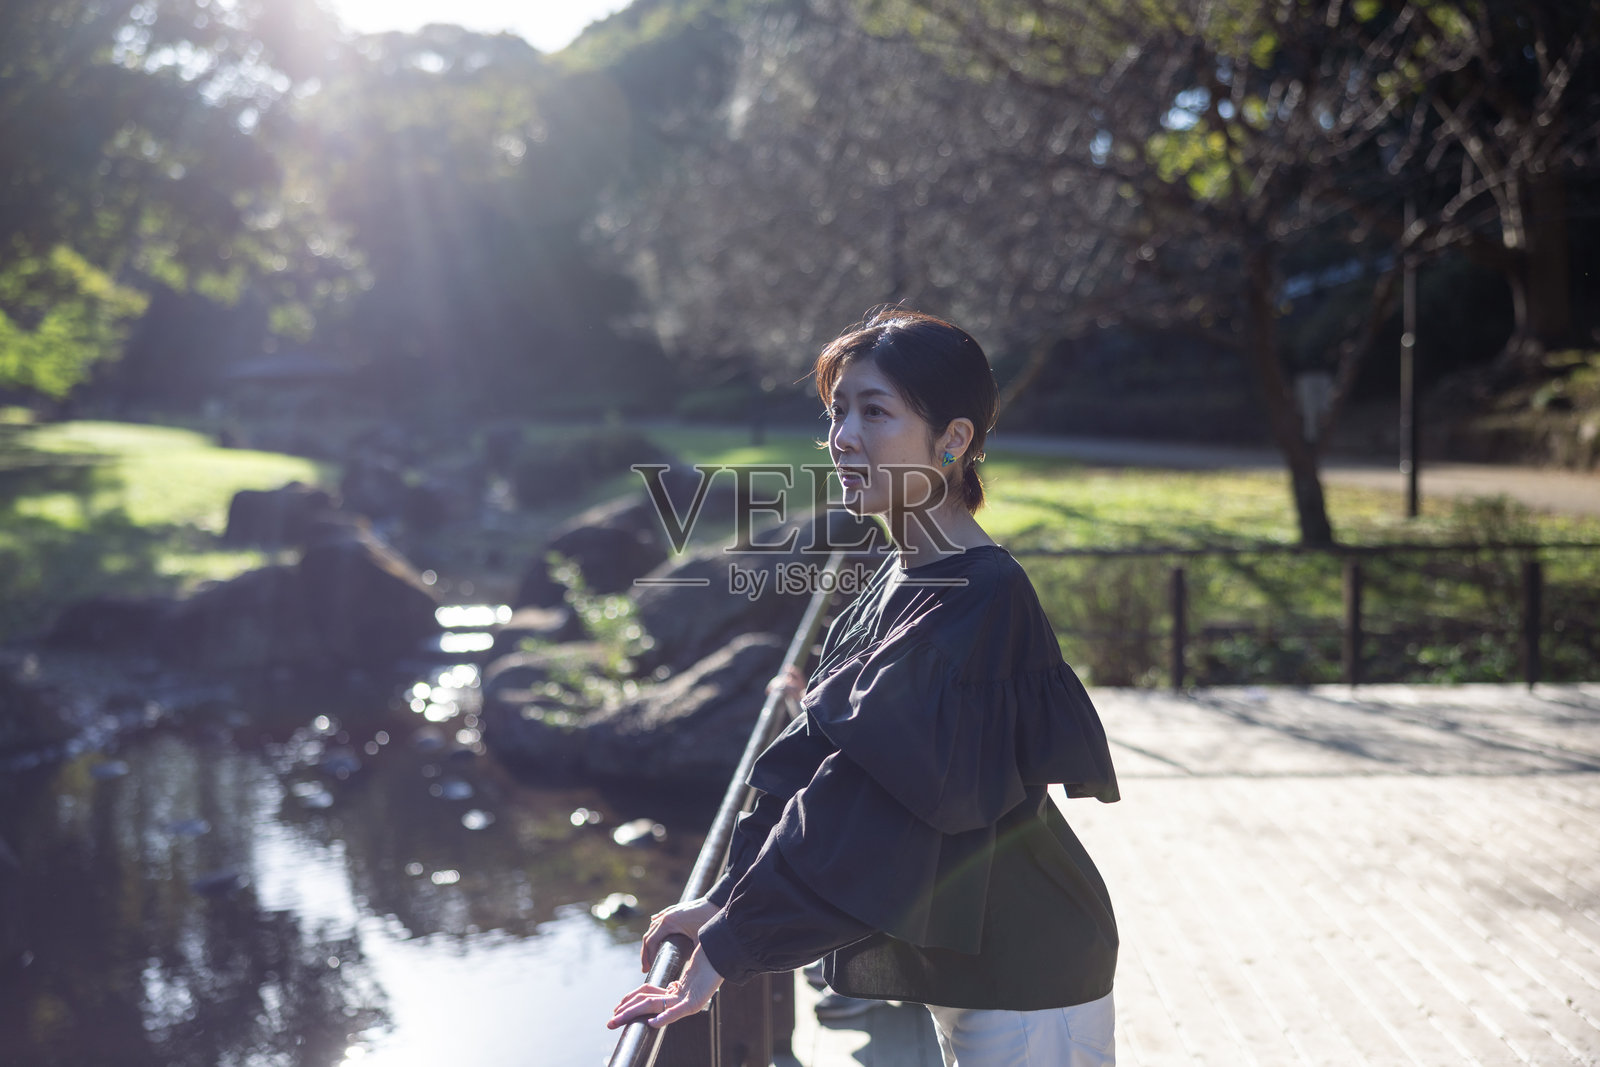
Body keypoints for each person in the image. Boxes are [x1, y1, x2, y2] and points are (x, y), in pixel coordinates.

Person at [608, 308, 1121, 1066]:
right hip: (971, 960)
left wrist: (728, 945)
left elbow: (861, 798)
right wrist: (724, 900)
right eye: (836, 411)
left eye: (874, 411)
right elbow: (804, 762)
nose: (842, 437)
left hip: (1028, 967)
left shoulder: (982, 596)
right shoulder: (895, 579)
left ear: (953, 439)